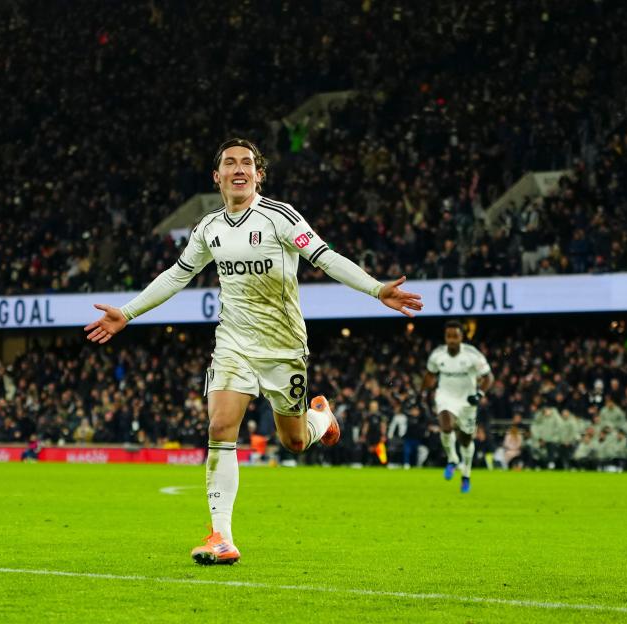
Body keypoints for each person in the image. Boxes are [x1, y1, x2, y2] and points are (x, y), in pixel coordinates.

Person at [84, 138, 422, 565]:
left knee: (294, 441)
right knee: (221, 427)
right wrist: (126, 313)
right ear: (217, 176)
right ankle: (221, 537)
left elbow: (325, 257)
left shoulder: (280, 217)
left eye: (247, 163)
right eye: (230, 163)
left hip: (283, 347)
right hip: (233, 343)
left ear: (259, 174)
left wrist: (376, 289)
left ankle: (320, 418)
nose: (238, 168)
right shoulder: (209, 228)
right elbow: (176, 275)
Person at [422, 320, 493, 493]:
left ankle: (466, 474)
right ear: (445, 337)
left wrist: (480, 394)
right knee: (446, 425)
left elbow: (488, 377)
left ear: (461, 337)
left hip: (467, 401)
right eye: (449, 336)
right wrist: (424, 391)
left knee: (466, 440)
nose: (452, 340)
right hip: (445, 397)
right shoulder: (438, 355)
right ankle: (452, 459)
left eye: (455, 336)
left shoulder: (472, 355)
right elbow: (430, 376)